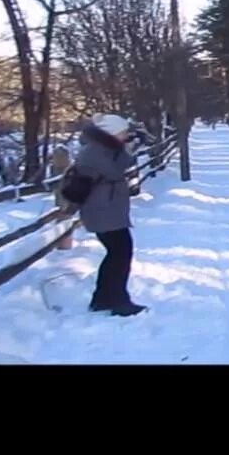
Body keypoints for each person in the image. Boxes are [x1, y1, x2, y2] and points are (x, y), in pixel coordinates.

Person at [74, 113, 147, 317]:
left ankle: (103, 298)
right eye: (123, 133)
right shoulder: (95, 152)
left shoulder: (104, 148)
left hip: (107, 208)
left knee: (117, 254)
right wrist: (127, 148)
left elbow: (123, 163)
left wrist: (129, 147)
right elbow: (115, 170)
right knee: (120, 253)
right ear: (111, 133)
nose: (125, 136)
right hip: (101, 209)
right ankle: (117, 300)